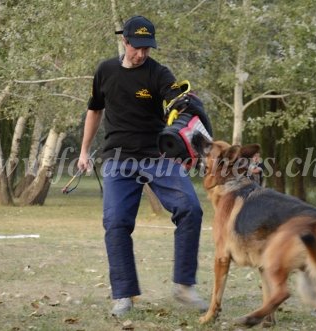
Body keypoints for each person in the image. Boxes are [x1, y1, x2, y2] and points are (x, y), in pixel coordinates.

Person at [77, 15, 208, 317]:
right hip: (118, 159)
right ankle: (123, 295)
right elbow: (94, 110)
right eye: (137, 47)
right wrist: (84, 150)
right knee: (116, 223)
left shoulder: (158, 73)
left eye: (147, 48)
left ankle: (184, 286)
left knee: (190, 208)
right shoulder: (105, 71)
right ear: (125, 41)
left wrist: (184, 107)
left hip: (158, 157)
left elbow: (177, 99)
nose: (142, 54)